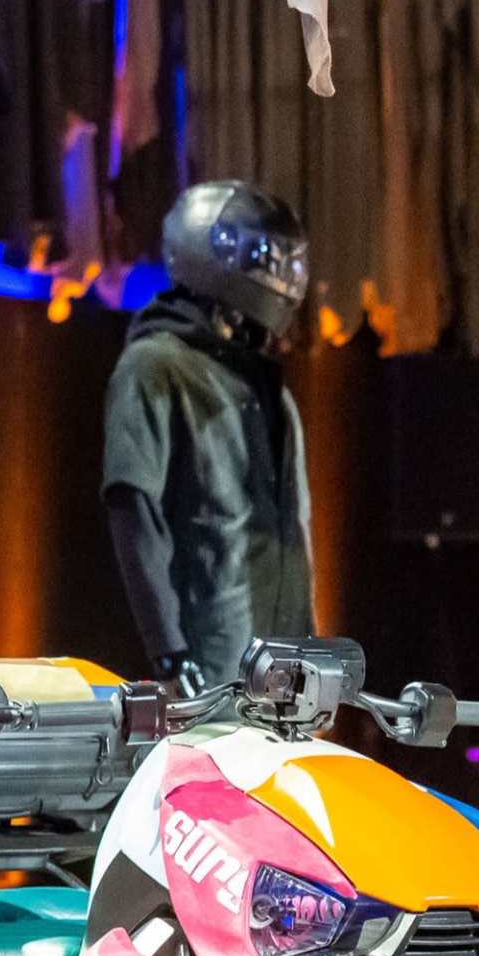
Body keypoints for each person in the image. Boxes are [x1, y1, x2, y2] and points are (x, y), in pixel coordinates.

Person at [104, 181, 314, 695]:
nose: (279, 276)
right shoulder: (156, 366)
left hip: (283, 669)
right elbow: (134, 510)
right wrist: (170, 654)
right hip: (211, 666)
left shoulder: (267, 391)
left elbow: (297, 532)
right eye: (264, 258)